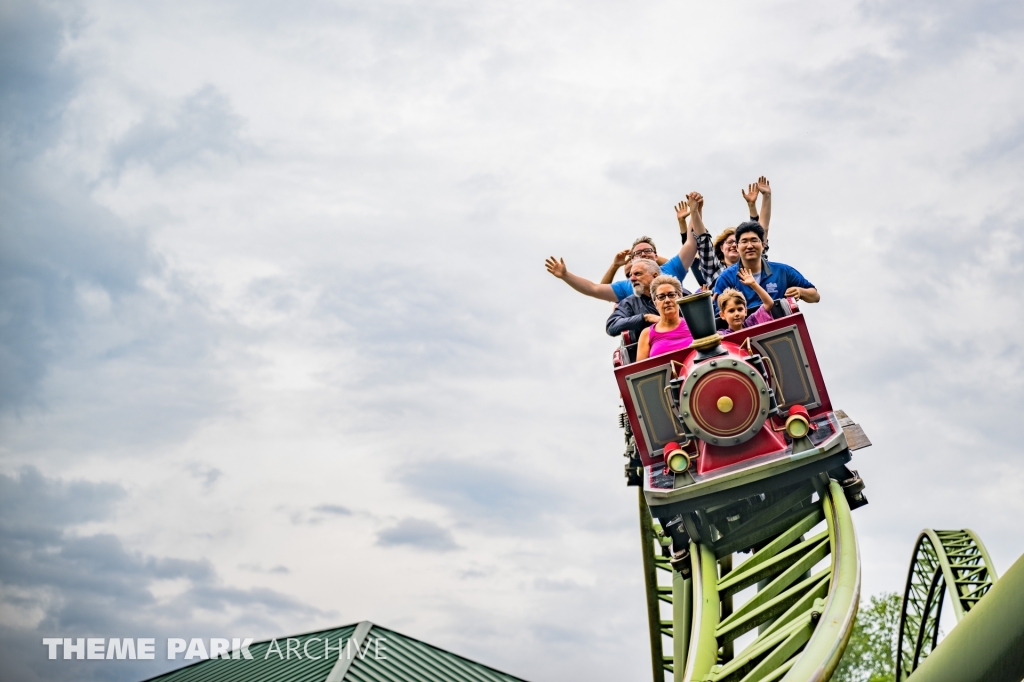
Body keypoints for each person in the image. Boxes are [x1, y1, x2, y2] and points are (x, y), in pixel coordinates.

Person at [545, 200, 699, 302]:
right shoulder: (628, 285)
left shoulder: (670, 269)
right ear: (631, 260)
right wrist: (566, 275)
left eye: (647, 250)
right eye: (637, 253)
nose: (642, 254)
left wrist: (695, 211)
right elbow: (594, 288)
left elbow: (691, 244)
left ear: (656, 256)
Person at [713, 222, 819, 309]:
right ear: (737, 247)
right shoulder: (726, 278)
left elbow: (815, 296)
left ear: (763, 245)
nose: (749, 246)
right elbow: (719, 314)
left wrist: (800, 291)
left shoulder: (783, 271)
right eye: (744, 241)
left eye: (754, 240)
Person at [691, 177, 772, 288]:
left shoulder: (755, 262)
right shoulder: (715, 270)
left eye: (737, 242)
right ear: (721, 247)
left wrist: (766, 196)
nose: (734, 245)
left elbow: (761, 231)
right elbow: (703, 240)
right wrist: (694, 211)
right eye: (729, 242)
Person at [635, 275, 693, 360]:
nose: (667, 300)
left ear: (679, 298)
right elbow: (640, 370)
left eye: (671, 295)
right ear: (655, 303)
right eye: (661, 297)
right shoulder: (646, 334)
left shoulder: (694, 324)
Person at [606, 259, 667, 339]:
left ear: (655, 276)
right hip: (650, 349)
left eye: (637, 274)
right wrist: (644, 318)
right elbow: (612, 325)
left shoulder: (678, 293)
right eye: (630, 275)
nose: (632, 279)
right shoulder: (629, 303)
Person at [717, 268, 775, 334]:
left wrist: (754, 284)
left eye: (740, 309)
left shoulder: (752, 322)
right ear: (722, 315)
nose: (737, 314)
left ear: (745, 311)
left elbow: (769, 303)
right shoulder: (723, 335)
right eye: (731, 311)